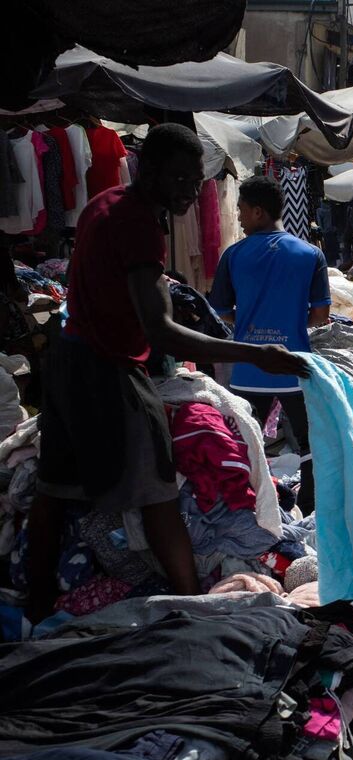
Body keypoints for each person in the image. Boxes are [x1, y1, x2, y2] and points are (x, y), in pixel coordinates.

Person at [27, 124, 308, 621]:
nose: (189, 191)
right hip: (108, 368)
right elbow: (160, 330)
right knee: (157, 489)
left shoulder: (105, 204)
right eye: (179, 178)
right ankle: (191, 606)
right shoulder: (138, 223)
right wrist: (254, 353)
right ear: (150, 169)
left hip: (68, 361)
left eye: (195, 180)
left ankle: (35, 606)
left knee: (55, 488)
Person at [209, 176, 331, 515]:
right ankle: (308, 509)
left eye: (241, 210)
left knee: (242, 444)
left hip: (249, 368)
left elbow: (221, 312)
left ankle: (244, 509)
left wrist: (250, 322)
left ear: (258, 212)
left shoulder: (233, 255)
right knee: (310, 443)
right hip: (295, 366)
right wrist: (290, 323)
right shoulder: (311, 254)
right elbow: (320, 315)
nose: (238, 217)